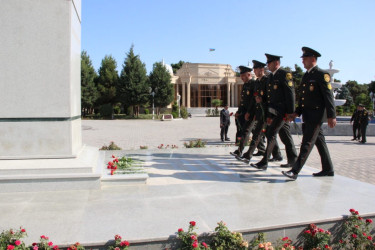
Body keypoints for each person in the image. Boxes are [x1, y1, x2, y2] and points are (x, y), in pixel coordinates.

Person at [282, 47, 336, 180]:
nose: (302, 62)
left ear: (313, 59)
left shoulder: (322, 74)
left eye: (304, 59)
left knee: (307, 143)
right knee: (320, 142)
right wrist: (296, 113)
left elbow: (328, 97)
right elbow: (303, 98)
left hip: (316, 115)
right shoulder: (307, 75)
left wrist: (331, 115)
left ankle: (295, 171)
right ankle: (328, 169)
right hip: (307, 114)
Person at [250, 54, 297, 170]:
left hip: (283, 112)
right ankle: (292, 160)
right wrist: (270, 114)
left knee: (271, 133)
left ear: (276, 63)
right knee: (285, 136)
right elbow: (270, 98)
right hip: (274, 112)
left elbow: (290, 94)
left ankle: (264, 161)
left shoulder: (284, 74)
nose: (268, 65)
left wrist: (291, 112)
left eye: (269, 63)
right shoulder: (271, 77)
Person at [241, 60, 283, 162]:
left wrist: (262, 101)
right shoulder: (257, 82)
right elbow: (253, 99)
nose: (254, 71)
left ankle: (250, 154)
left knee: (264, 133)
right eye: (254, 69)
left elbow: (270, 97)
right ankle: (276, 154)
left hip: (267, 112)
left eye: (256, 69)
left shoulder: (267, 80)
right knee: (264, 133)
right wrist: (252, 111)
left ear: (261, 69)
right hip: (260, 112)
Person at [230, 66, 256, 157]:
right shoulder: (245, 85)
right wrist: (238, 112)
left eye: (243, 76)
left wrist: (249, 112)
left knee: (248, 132)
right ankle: (263, 150)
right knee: (254, 133)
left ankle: (240, 151)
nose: (241, 78)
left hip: (252, 113)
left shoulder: (254, 84)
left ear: (249, 75)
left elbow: (253, 101)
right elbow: (242, 101)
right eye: (241, 76)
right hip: (245, 113)